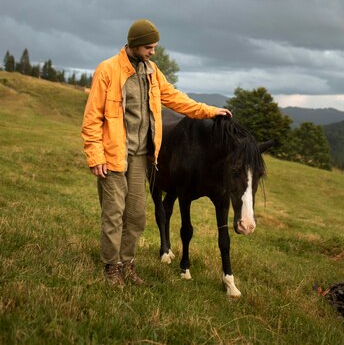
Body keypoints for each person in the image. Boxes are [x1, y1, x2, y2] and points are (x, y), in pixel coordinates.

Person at [81, 18, 232, 287]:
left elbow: (174, 97)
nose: (154, 51)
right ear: (135, 45)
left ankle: (127, 263)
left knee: (137, 215)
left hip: (141, 157)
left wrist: (209, 111)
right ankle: (111, 267)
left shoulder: (152, 71)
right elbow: (92, 118)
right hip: (113, 156)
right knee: (114, 214)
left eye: (155, 47)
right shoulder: (107, 70)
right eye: (149, 47)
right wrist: (95, 156)